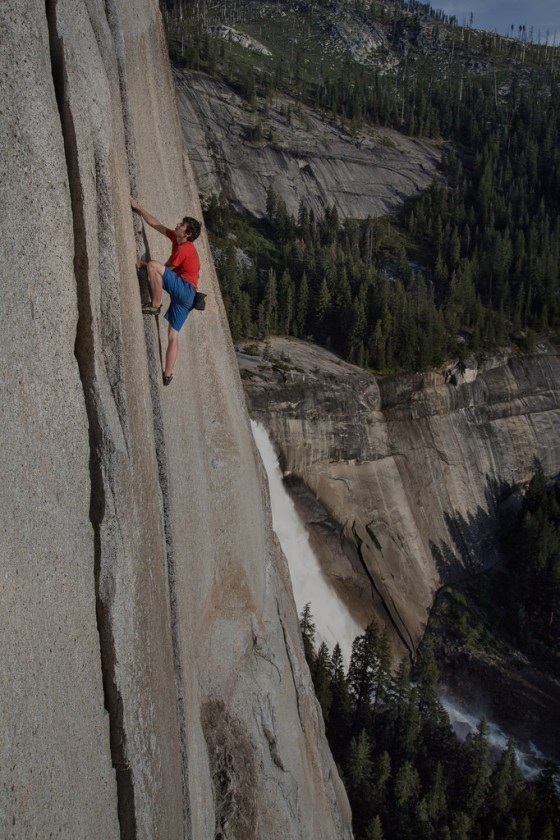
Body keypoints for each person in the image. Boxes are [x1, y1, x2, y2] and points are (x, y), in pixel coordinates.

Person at [130, 196, 201, 385]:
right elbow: (157, 224)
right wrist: (139, 208)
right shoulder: (178, 240)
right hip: (189, 297)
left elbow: (165, 268)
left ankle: (155, 305)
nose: (178, 225)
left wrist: (144, 264)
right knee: (173, 335)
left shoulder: (184, 249)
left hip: (184, 289)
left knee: (153, 265)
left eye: (182, 225)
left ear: (187, 234)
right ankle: (168, 374)